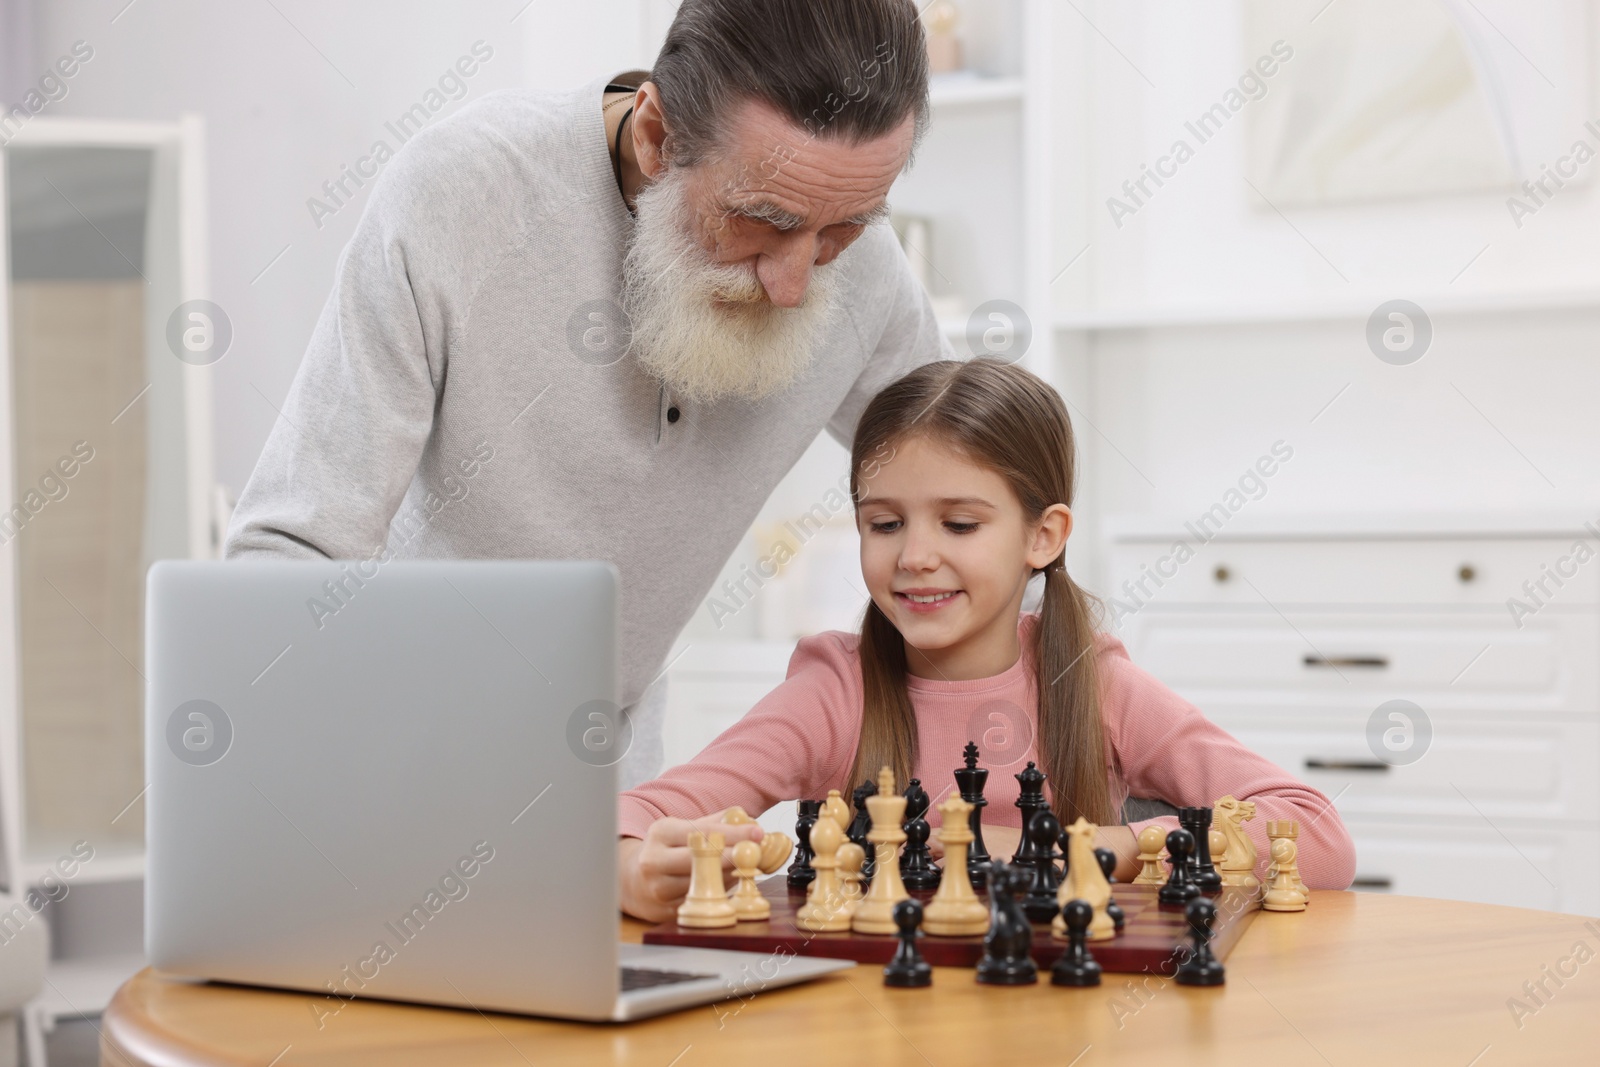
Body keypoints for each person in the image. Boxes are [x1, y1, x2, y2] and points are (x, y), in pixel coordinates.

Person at [223, 0, 956, 789]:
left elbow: (979, 490)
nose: (793, 283)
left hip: (611, 804)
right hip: (388, 774)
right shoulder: (462, 193)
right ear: (655, 135)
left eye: (843, 230)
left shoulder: (866, 271)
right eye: (761, 222)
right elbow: (292, 552)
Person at [616, 358, 1356, 922]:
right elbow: (631, 818)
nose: (914, 555)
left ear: (1043, 535)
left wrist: (1111, 848)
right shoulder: (835, 690)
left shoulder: (1092, 682)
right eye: (884, 522)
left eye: (960, 523)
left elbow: (1318, 832)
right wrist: (631, 870)